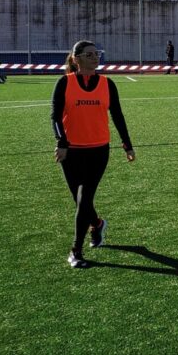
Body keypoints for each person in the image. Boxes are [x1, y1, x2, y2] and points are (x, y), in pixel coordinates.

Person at [50, 40, 135, 268]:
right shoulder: (64, 83)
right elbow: (55, 117)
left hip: (99, 150)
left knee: (84, 199)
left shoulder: (108, 84)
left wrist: (127, 144)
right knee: (80, 202)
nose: (95, 58)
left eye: (96, 54)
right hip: (71, 151)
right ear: (76, 59)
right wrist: (62, 142)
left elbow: (117, 115)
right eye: (89, 55)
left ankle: (75, 251)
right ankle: (96, 224)